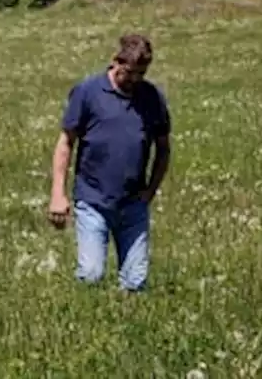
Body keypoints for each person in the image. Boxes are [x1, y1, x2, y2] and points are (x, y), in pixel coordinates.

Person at [48, 32, 172, 292]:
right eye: (130, 72)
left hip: (134, 203)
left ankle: (131, 327)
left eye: (142, 73)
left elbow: (163, 148)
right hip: (92, 200)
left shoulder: (151, 98)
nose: (135, 79)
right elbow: (65, 143)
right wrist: (58, 194)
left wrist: (150, 191)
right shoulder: (88, 92)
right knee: (91, 275)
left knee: (135, 284)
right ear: (115, 61)